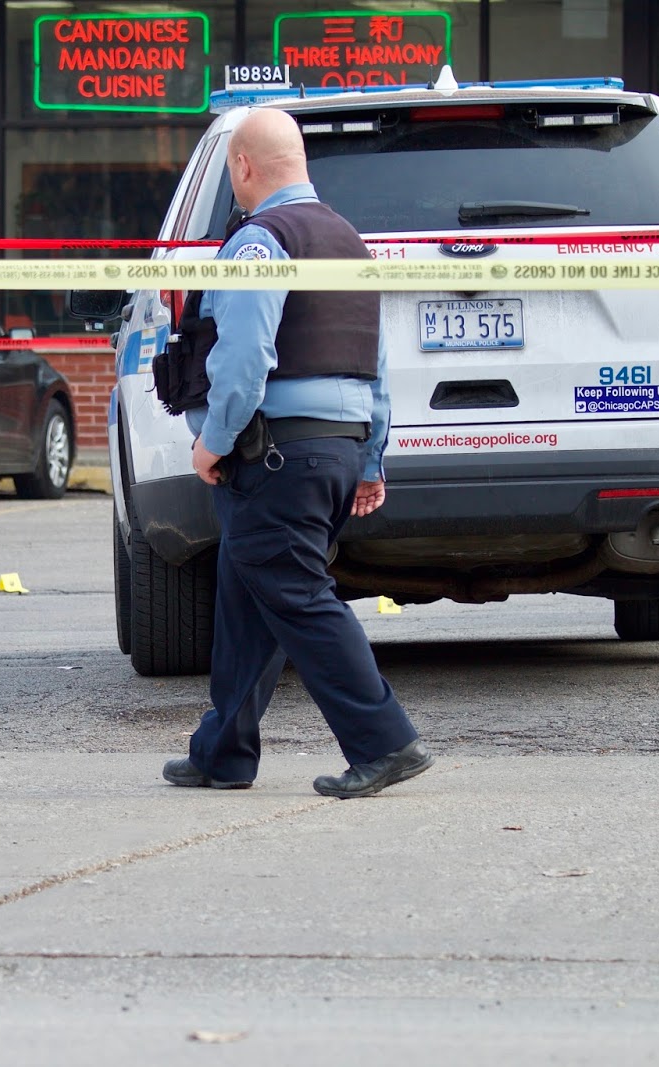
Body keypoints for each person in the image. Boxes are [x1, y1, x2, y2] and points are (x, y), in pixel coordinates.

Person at [160, 107, 430, 799]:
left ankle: (385, 741)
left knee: (298, 597)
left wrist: (212, 442)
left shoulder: (260, 241)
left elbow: (245, 358)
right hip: (332, 452)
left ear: (243, 166)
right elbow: (376, 366)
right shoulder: (348, 241)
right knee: (248, 600)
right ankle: (221, 753)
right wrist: (369, 460)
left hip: (275, 455)